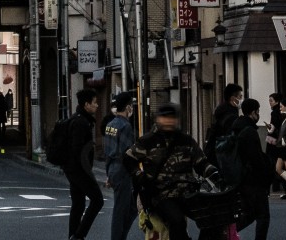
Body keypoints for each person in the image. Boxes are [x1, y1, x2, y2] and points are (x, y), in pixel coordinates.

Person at [125, 101, 210, 240]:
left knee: (209, 217)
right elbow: (128, 159)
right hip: (160, 194)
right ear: (158, 119)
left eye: (172, 117)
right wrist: (139, 176)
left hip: (187, 192)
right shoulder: (148, 141)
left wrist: (213, 173)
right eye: (165, 117)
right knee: (177, 221)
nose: (168, 121)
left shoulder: (185, 140)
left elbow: (201, 162)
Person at [65, 87, 105, 240]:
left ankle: (72, 236)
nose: (97, 105)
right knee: (98, 200)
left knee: (78, 204)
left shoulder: (77, 118)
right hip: (80, 171)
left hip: (72, 170)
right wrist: (86, 171)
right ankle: (78, 236)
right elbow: (78, 150)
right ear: (86, 104)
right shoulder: (81, 122)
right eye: (94, 102)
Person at [232, 100, 274, 240]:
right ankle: (225, 233)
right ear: (253, 112)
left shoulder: (237, 127)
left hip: (242, 179)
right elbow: (256, 159)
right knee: (263, 216)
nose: (259, 114)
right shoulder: (249, 131)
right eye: (258, 110)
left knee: (249, 214)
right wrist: (266, 177)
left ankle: (225, 233)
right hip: (254, 180)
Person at [103, 93, 138, 240]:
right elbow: (127, 153)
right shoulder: (126, 126)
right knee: (121, 210)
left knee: (130, 207)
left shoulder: (110, 125)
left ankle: (120, 236)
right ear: (128, 107)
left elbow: (107, 151)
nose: (132, 109)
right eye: (132, 106)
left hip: (112, 168)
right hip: (123, 170)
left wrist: (109, 174)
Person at [266, 96, 286, 199]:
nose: (280, 108)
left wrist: (284, 140)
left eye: (281, 106)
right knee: (278, 168)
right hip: (283, 147)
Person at [206, 85, 243, 158]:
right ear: (232, 98)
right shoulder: (230, 117)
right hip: (222, 157)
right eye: (240, 97)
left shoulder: (223, 111)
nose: (242, 99)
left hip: (214, 153)